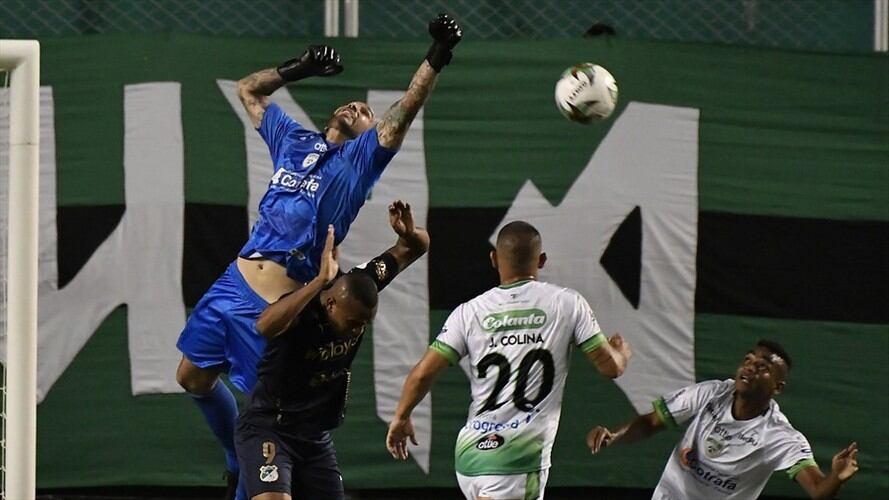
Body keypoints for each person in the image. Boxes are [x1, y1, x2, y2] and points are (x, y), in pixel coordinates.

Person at [174, 13, 462, 497]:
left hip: (277, 305)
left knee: (264, 416)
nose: (359, 107)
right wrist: (297, 68)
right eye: (354, 104)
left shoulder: (358, 165)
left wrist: (437, 54)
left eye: (367, 113)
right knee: (191, 377)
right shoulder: (295, 142)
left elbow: (405, 110)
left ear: (371, 136)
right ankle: (234, 459)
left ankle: (246, 477)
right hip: (233, 282)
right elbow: (249, 90)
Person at [386, 221, 633, 500]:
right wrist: (621, 352)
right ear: (541, 260)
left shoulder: (468, 312)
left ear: (494, 259)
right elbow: (611, 367)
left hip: (470, 458)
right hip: (515, 463)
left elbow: (422, 374)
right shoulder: (567, 304)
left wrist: (401, 417)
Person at [235, 200, 429, 500]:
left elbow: (415, 247)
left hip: (314, 436)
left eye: (364, 324)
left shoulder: (362, 282)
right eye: (352, 323)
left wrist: (409, 234)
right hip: (270, 427)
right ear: (330, 303)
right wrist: (318, 283)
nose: (358, 330)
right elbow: (264, 326)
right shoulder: (303, 308)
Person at [586, 340, 860, 500]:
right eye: (748, 360)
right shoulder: (711, 393)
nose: (750, 366)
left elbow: (817, 490)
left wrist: (836, 477)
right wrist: (614, 435)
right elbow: (651, 422)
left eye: (762, 366)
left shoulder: (780, 436)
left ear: (778, 388)